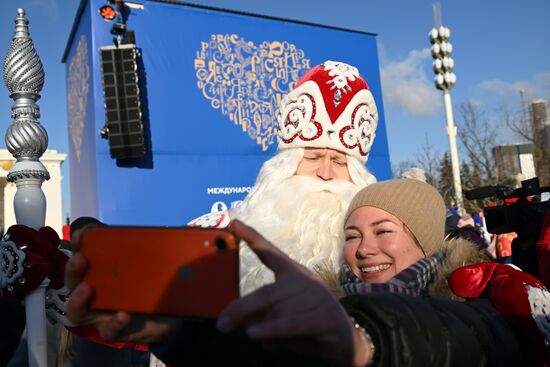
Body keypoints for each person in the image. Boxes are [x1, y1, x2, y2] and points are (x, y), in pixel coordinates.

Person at [69, 179, 549, 366]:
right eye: (352, 235)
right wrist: (181, 337)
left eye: (384, 231)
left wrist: (361, 338)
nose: (365, 249)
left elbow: (466, 340)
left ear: (425, 239)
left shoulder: (481, 296)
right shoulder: (322, 301)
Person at [188, 60, 378, 295]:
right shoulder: (212, 236)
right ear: (284, 166)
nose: (325, 174)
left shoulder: (376, 255)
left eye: (339, 162)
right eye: (313, 158)